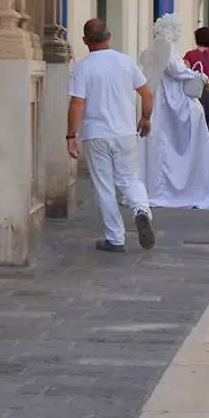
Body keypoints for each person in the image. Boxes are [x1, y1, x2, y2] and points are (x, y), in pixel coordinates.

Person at [65, 18, 157, 253]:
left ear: (85, 41)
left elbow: (77, 103)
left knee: (104, 186)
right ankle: (141, 210)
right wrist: (145, 118)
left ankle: (115, 238)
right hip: (125, 131)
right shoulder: (125, 62)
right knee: (130, 179)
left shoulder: (83, 68)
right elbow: (146, 94)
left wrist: (71, 135)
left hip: (96, 134)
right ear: (109, 37)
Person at [139, 15, 209, 210]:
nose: (179, 33)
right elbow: (176, 70)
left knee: (162, 138)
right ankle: (181, 184)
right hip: (172, 97)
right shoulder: (166, 47)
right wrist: (197, 75)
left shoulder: (157, 47)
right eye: (177, 29)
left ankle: (160, 184)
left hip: (163, 96)